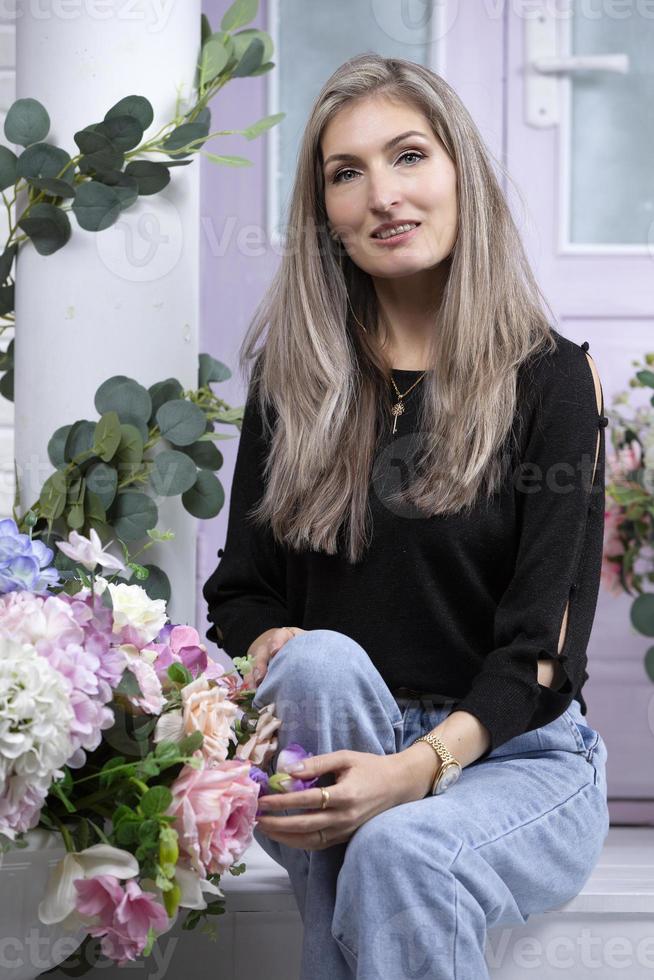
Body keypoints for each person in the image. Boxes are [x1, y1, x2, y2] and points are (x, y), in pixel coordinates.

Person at [202, 53, 610, 980]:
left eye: (409, 156)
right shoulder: (294, 381)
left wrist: (414, 772)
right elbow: (242, 593)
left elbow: (543, 656)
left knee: (405, 848)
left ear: (459, 170)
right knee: (317, 657)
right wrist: (274, 651)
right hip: (333, 749)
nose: (383, 195)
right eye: (347, 173)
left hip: (514, 760)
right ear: (325, 217)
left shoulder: (550, 381)